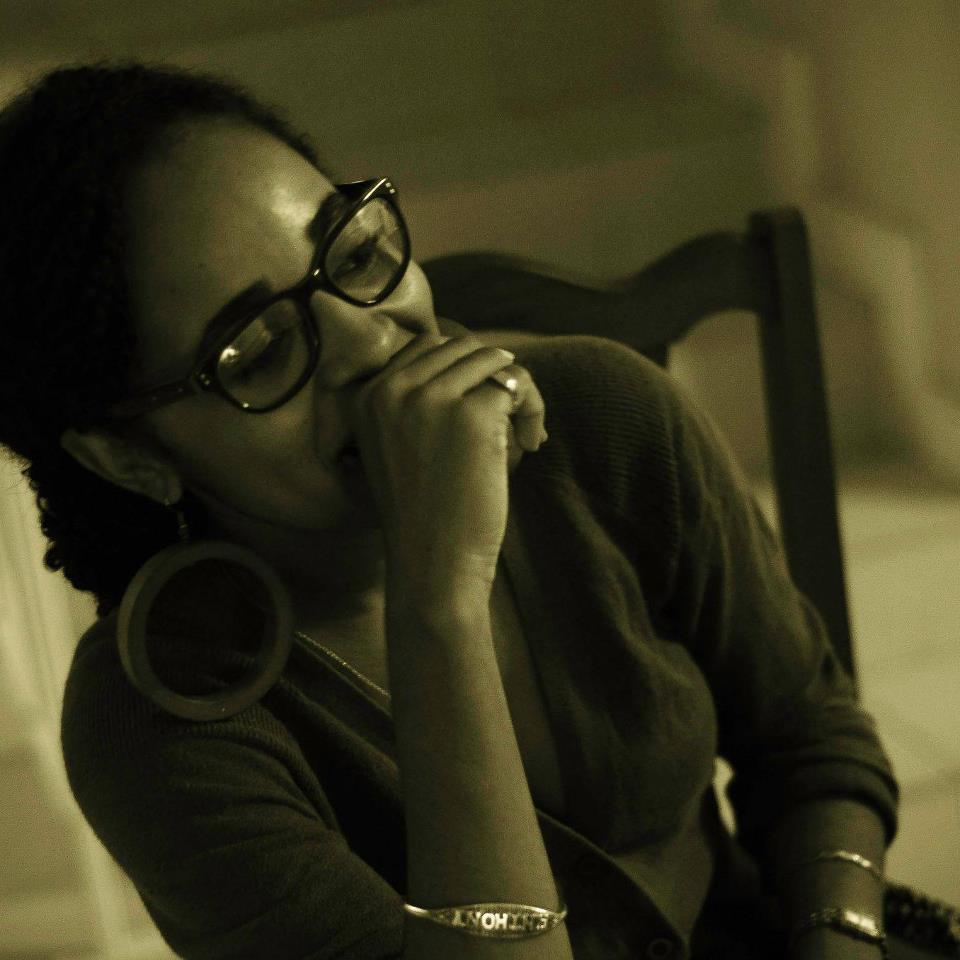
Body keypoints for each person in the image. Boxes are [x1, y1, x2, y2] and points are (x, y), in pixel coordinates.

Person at [0, 62, 901, 959]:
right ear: (127, 455)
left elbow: (809, 738)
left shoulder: (604, 420)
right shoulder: (160, 733)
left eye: (355, 255)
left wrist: (840, 932)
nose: (371, 338)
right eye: (260, 348)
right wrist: (441, 599)